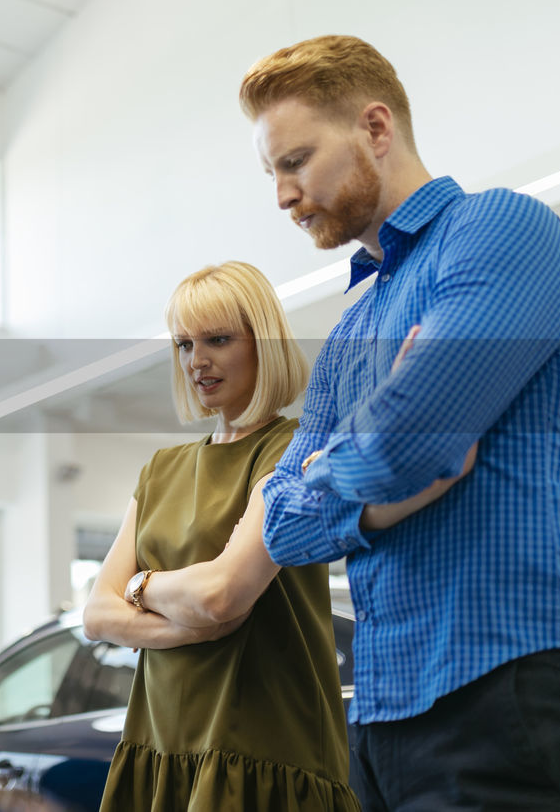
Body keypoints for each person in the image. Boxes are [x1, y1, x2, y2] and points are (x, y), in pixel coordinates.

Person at [242, 35, 560, 810]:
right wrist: (377, 457)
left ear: (375, 128)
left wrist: (347, 460)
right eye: (272, 174)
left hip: (516, 692)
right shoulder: (356, 326)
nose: (283, 196)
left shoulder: (502, 232)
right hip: (383, 721)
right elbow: (279, 525)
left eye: (295, 161)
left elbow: (405, 444)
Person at [82, 261, 360, 811]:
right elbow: (96, 615)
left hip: (261, 746)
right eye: (184, 344)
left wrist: (139, 585)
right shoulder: (160, 469)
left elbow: (220, 596)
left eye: (218, 339)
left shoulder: (292, 450)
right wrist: (190, 627)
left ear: (265, 345)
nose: (197, 360)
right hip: (157, 745)